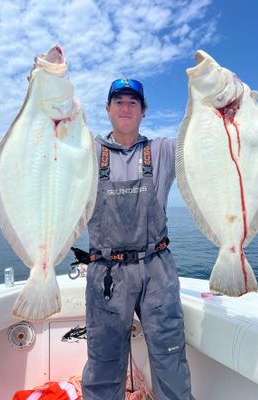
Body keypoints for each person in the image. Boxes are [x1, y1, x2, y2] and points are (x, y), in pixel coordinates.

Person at [82, 78, 194, 399]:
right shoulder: (87, 151)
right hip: (106, 272)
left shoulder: (162, 150)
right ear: (107, 109)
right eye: (119, 101)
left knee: (170, 361)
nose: (126, 107)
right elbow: (50, 143)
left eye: (133, 102)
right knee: (103, 367)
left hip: (156, 268)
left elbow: (203, 143)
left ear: (144, 111)